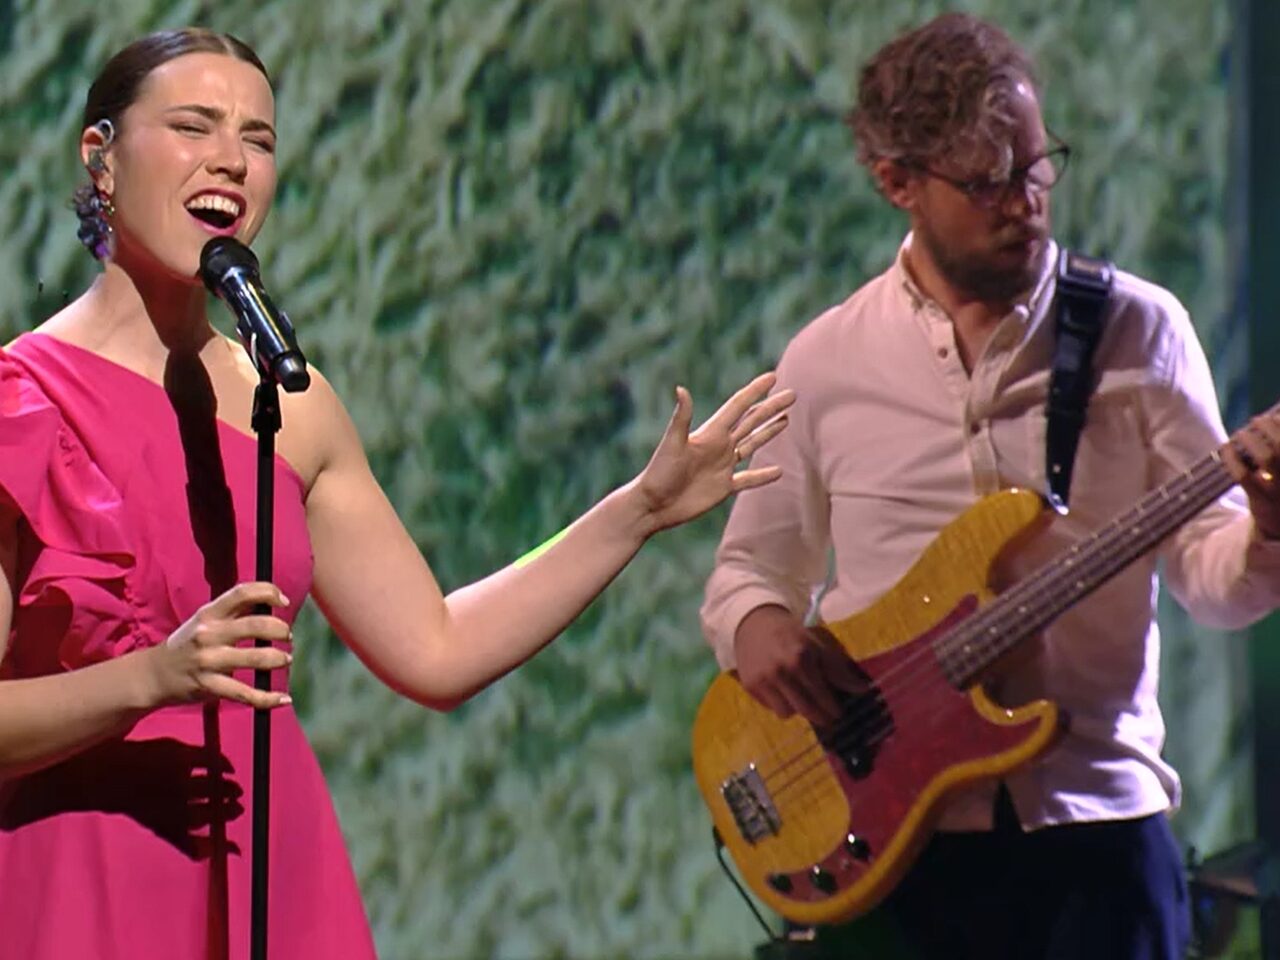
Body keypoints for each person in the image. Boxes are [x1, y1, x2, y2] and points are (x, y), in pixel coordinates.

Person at [0, 27, 795, 960]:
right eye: (193, 126)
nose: (231, 160)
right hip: (85, 881)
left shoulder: (290, 404)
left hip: (269, 872)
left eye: (258, 139)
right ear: (101, 157)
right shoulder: (21, 402)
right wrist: (152, 678)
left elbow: (436, 649)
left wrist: (640, 511)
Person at [700, 12, 1280, 960]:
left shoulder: (1142, 330)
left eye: (1037, 164)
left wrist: (1268, 532)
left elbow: (1217, 588)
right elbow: (747, 573)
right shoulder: (826, 361)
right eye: (987, 182)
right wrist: (758, 627)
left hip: (1095, 827)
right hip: (890, 843)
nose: (1026, 201)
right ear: (897, 183)